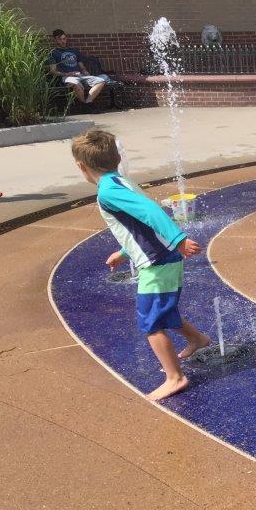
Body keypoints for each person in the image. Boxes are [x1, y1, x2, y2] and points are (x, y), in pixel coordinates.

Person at [71, 129, 211, 402]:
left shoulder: (108, 191)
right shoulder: (120, 182)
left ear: (81, 167)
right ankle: (198, 339)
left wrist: (178, 239)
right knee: (161, 310)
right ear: (118, 157)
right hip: (161, 257)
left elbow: (151, 212)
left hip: (157, 262)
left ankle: (175, 377)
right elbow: (138, 224)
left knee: (149, 321)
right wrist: (124, 252)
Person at [49, 30, 111, 104]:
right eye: (60, 39)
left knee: (101, 81)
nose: (63, 41)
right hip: (67, 77)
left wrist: (85, 71)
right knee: (75, 84)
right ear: (55, 40)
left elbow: (81, 66)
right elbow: (53, 71)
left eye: (64, 39)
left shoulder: (74, 50)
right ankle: (86, 104)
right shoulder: (53, 53)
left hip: (80, 75)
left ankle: (87, 103)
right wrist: (67, 74)